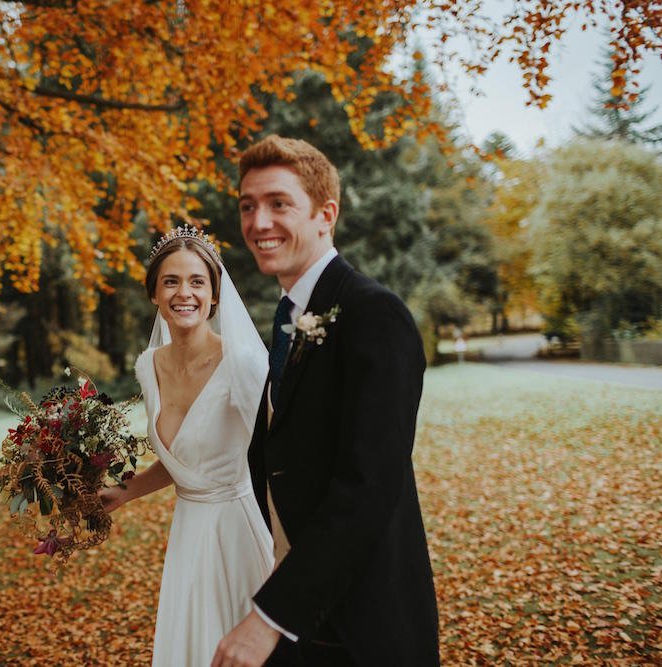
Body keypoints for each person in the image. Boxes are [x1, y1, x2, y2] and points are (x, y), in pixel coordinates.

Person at [212, 135, 439, 666]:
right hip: (304, 613)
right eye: (248, 206)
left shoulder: (372, 315)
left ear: (325, 214)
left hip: (363, 624)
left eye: (278, 204)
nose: (258, 222)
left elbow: (368, 487)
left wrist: (269, 618)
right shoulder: (291, 316)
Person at [99, 226, 275, 667]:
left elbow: (281, 456)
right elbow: (187, 462)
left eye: (197, 281)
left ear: (215, 294)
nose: (185, 293)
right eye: (171, 281)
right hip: (188, 533)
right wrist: (127, 491)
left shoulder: (243, 364)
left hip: (238, 534)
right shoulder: (148, 365)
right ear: (154, 293)